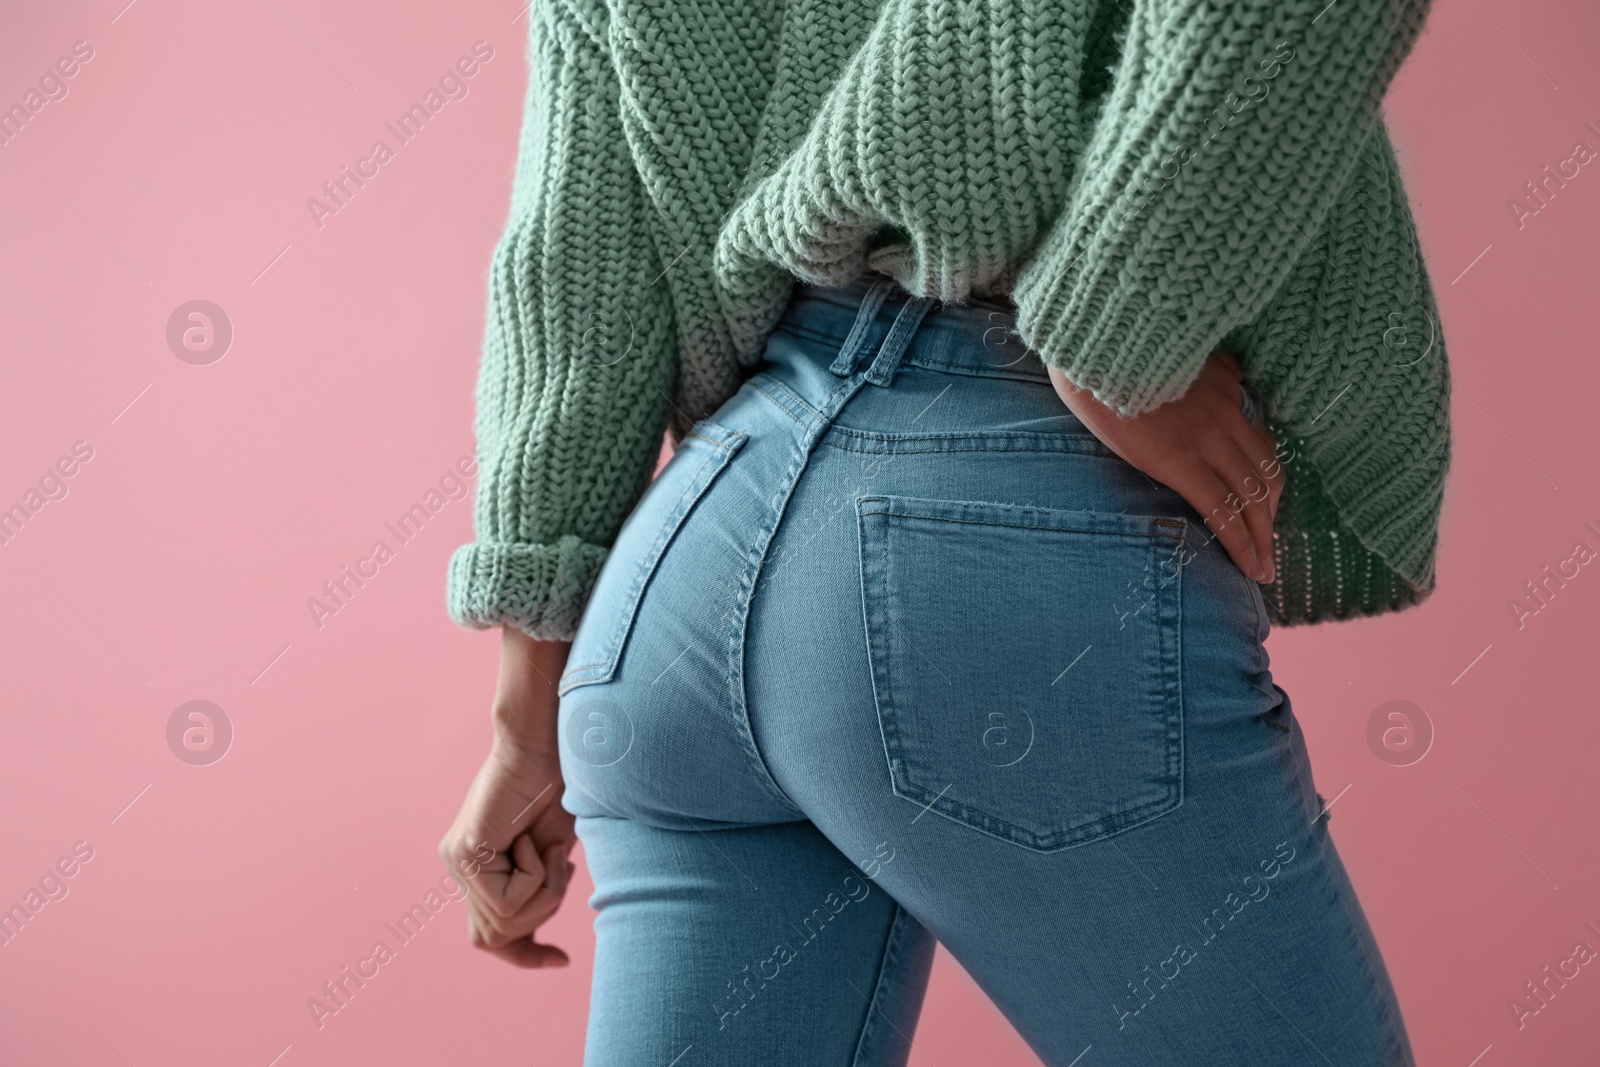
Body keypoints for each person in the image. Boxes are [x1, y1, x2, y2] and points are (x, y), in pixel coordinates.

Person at [439, 0, 1450, 1062]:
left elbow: (573, 249)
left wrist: (527, 715)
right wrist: (1116, 326)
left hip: (686, 569)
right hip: (992, 523)